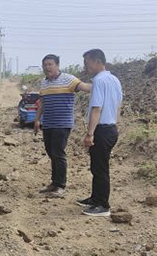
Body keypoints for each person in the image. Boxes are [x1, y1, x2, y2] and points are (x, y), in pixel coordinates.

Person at [34, 54, 91, 198]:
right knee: (51, 152)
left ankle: (60, 186)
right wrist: (36, 120)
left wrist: (102, 83)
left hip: (62, 123)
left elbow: (85, 87)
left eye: (50, 64)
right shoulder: (44, 83)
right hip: (48, 124)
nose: (47, 67)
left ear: (57, 65)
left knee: (58, 153)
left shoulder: (68, 79)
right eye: (45, 65)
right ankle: (54, 182)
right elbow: (41, 103)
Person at [78, 49, 123, 217]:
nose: (85, 67)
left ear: (97, 61)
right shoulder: (114, 79)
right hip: (111, 128)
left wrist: (90, 134)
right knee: (97, 167)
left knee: (100, 169)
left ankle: (103, 205)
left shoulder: (98, 81)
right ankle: (95, 198)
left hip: (102, 130)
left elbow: (96, 108)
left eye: (87, 63)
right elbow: (118, 104)